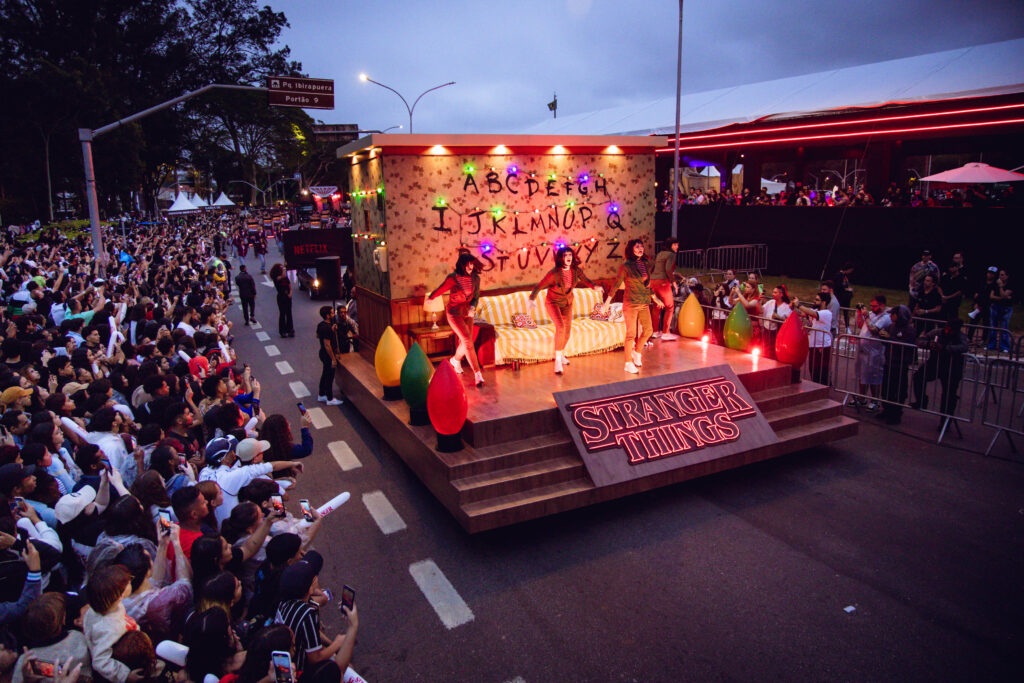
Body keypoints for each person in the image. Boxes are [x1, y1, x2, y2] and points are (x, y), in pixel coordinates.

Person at [274, 551, 358, 672]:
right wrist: (337, 643)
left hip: (288, 659)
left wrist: (330, 644)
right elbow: (315, 659)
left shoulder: (284, 602)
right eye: (313, 579)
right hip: (300, 669)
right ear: (309, 588)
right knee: (347, 669)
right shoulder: (307, 613)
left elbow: (311, 634)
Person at [527, 247, 603, 374]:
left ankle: (561, 354)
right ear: (561, 258)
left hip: (567, 303)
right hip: (553, 303)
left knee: (567, 332)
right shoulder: (554, 273)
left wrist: (595, 287)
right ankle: (557, 361)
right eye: (565, 255)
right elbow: (539, 286)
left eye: (570, 255)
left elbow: (586, 280)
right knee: (560, 327)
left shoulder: (576, 271)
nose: (568, 257)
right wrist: (531, 299)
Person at [602, 239, 663, 374]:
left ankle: (637, 352)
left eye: (642, 246)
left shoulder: (645, 264)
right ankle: (628, 363)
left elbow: (647, 285)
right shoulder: (626, 266)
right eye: (637, 247)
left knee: (648, 331)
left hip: (644, 302)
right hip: (630, 303)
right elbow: (617, 284)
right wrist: (607, 303)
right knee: (631, 334)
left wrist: (655, 298)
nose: (640, 248)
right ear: (632, 249)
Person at [427, 252, 484, 386]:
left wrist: (472, 307)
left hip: (467, 313)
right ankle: (477, 374)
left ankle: (455, 360)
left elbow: (475, 297)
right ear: (462, 265)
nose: (471, 267)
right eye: (468, 264)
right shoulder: (453, 278)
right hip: (454, 313)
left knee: (467, 342)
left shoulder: (476, 278)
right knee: (466, 340)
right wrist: (431, 297)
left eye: (472, 264)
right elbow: (441, 289)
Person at [912, 316, 968, 415]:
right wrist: (928, 344)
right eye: (946, 328)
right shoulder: (937, 332)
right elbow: (919, 340)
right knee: (918, 377)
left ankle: (945, 419)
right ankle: (921, 401)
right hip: (935, 363)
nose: (947, 331)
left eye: (950, 330)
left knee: (949, 394)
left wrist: (945, 348)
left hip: (952, 368)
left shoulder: (960, 336)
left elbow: (964, 347)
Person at [877, 305, 919, 425]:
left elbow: (907, 344)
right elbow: (886, 342)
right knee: (886, 388)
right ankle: (886, 409)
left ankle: (896, 414)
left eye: (893, 314)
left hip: (900, 364)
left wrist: (891, 338)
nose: (891, 316)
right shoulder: (891, 326)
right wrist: (882, 336)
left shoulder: (909, 330)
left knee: (899, 390)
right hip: (889, 361)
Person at [853, 296, 889, 410]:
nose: (872, 308)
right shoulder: (871, 313)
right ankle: (862, 398)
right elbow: (860, 324)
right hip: (863, 350)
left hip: (875, 352)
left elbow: (874, 329)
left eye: (874, 306)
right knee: (862, 375)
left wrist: (867, 317)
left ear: (882, 305)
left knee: (874, 376)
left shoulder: (885, 318)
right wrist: (860, 313)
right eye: (871, 305)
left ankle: (875, 400)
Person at [791, 292, 833, 386]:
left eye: (817, 300)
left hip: (822, 347)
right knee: (813, 371)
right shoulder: (816, 311)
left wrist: (799, 304)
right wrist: (793, 306)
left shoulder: (826, 313)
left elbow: (812, 313)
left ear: (824, 302)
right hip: (814, 345)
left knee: (821, 372)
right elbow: (801, 313)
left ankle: (824, 392)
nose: (814, 301)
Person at [650, 239, 679, 340]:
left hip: (653, 280)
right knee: (670, 307)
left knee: (656, 306)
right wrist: (674, 282)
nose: (677, 247)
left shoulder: (660, 254)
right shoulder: (671, 255)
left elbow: (652, 267)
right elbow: (667, 269)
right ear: (670, 245)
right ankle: (666, 332)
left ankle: (655, 332)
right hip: (662, 281)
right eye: (675, 245)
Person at [315, 306, 343, 405]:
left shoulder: (321, 325)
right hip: (327, 355)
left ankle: (321, 394)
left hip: (322, 353)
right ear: (327, 315)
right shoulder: (327, 328)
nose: (333, 314)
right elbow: (327, 345)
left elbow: (317, 335)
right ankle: (330, 398)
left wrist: (331, 329)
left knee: (325, 374)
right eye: (331, 313)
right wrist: (333, 359)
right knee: (329, 376)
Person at [760, 285, 792, 358]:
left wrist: (778, 317)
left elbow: (788, 321)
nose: (772, 294)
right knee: (765, 350)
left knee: (774, 352)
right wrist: (759, 301)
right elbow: (761, 310)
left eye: (775, 292)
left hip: (777, 333)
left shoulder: (786, 307)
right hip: (766, 331)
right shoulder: (771, 302)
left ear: (781, 294)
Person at [987, 269, 1013, 353]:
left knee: (1004, 328)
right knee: (992, 327)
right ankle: (991, 345)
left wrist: (1001, 287)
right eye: (999, 275)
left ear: (1007, 276)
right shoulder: (995, 284)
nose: (1000, 277)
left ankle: (1004, 346)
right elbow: (991, 296)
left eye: (1002, 275)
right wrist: (1002, 297)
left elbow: (1004, 294)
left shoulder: (1011, 285)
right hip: (995, 307)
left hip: (1006, 308)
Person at [269, 264, 294, 338]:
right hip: (281, 296)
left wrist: (290, 293)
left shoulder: (286, 278)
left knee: (289, 313)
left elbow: (290, 286)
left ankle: (290, 330)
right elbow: (282, 276)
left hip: (288, 296)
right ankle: (282, 331)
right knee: (282, 313)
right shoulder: (277, 278)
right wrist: (284, 269)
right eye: (281, 269)